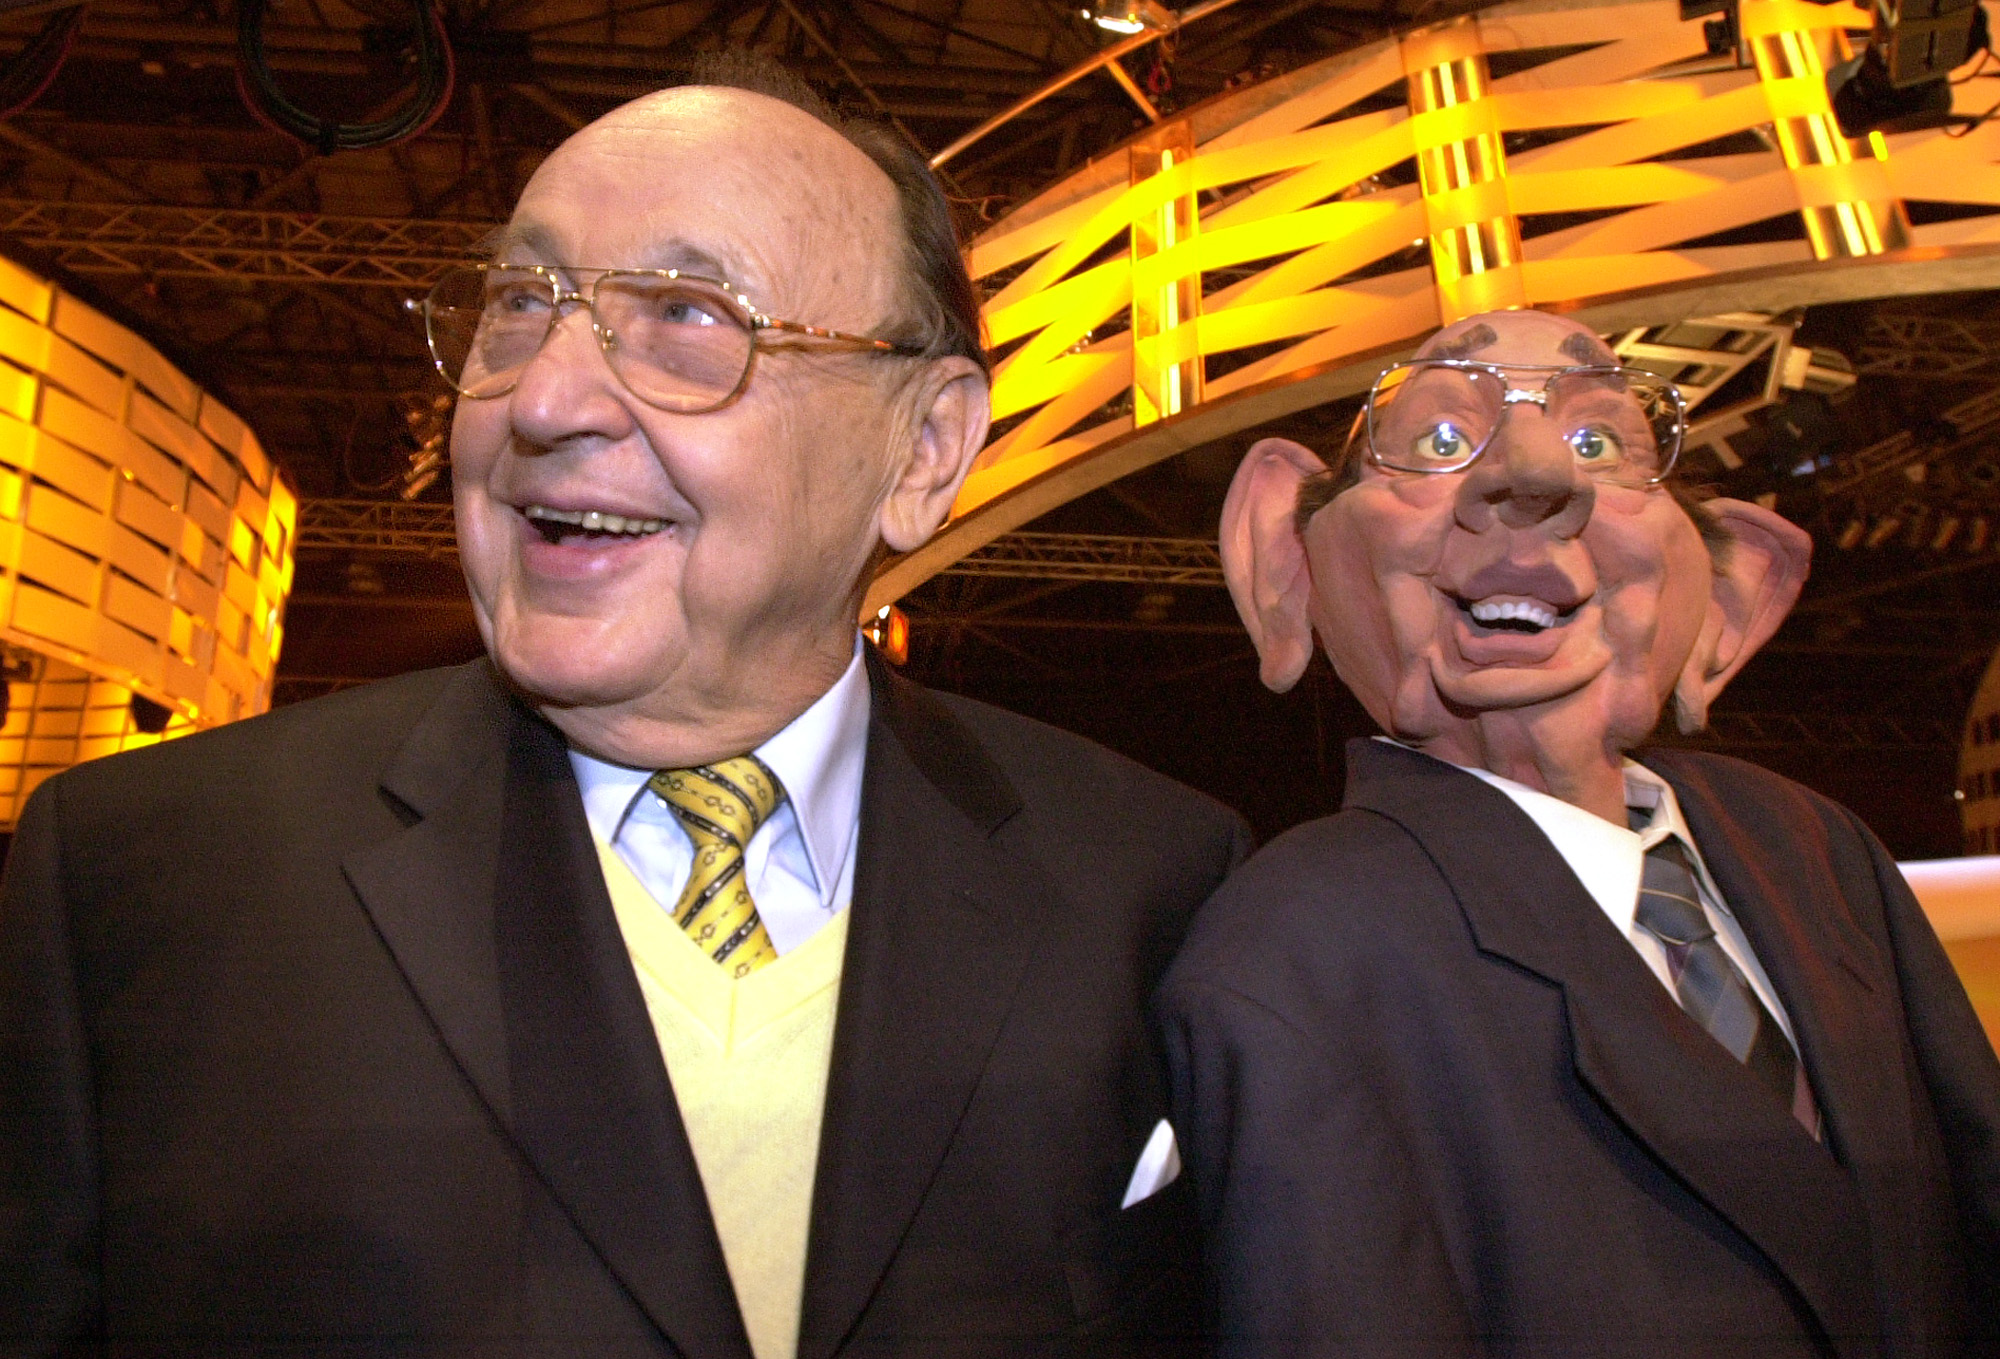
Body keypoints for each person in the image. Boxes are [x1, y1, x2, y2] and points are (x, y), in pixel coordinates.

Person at [0, 61, 1248, 1358]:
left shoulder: (1154, 887)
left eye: (688, 315)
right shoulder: (149, 879)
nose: (542, 402)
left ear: (923, 450)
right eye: (518, 303)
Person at [1157, 307, 2000, 1358]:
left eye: (1599, 442)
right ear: (1286, 566)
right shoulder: (1295, 948)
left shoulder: (1809, 845)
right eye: (1439, 439)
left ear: (1730, 603)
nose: (1532, 476)